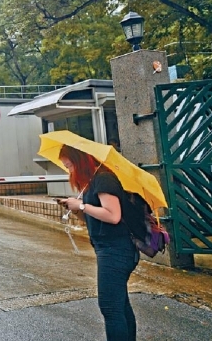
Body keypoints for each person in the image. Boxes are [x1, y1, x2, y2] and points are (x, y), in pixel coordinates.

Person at [57, 144, 139, 341]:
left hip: (117, 250)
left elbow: (113, 216)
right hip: (109, 249)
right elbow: (93, 219)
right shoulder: (91, 182)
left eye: (69, 166)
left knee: (110, 307)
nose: (69, 171)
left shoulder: (103, 178)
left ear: (80, 161)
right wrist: (76, 209)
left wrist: (82, 205)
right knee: (120, 305)